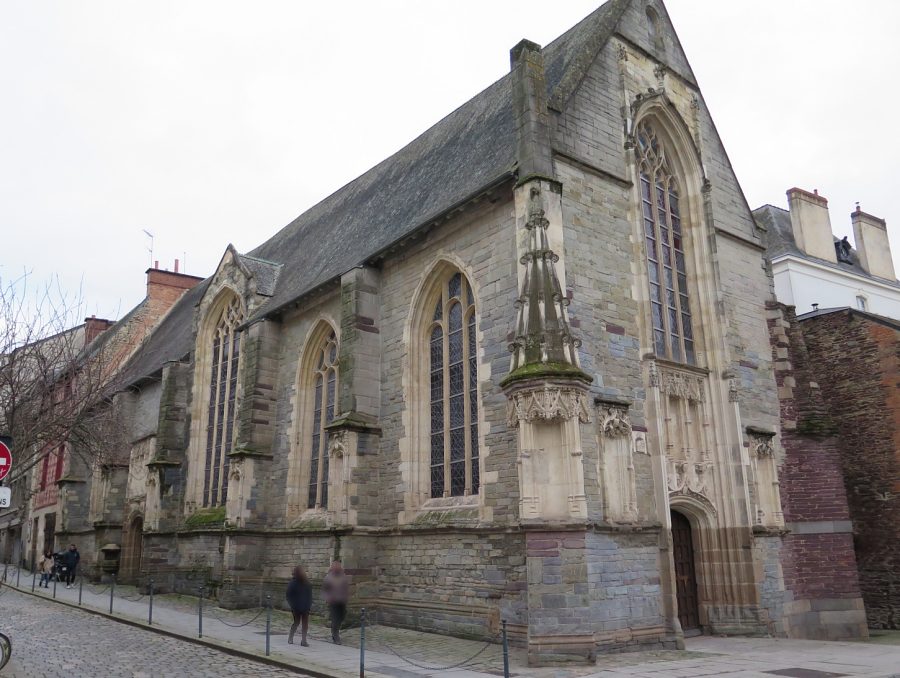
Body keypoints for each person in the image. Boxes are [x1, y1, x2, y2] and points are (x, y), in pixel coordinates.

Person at [322, 560, 351, 645]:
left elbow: (346, 588)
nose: (337, 568)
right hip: (333, 600)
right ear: (333, 567)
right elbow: (324, 590)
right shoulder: (328, 578)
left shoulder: (343, 577)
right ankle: (335, 635)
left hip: (342, 600)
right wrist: (328, 598)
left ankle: (336, 631)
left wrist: (346, 596)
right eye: (336, 566)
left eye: (339, 566)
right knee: (335, 618)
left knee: (342, 616)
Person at [286, 566, 313, 646]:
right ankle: (290, 637)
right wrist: (293, 606)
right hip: (296, 607)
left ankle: (303, 640)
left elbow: (310, 596)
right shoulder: (292, 583)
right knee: (296, 622)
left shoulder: (307, 583)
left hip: (305, 607)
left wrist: (308, 605)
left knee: (305, 624)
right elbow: (288, 596)